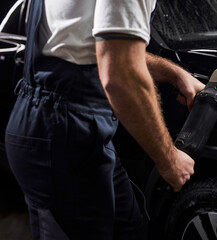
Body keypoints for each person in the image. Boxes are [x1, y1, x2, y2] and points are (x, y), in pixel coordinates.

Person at [5, 0, 204, 239]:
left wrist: (175, 73)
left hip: (73, 130)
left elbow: (97, 48)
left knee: (129, 230)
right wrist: (169, 160)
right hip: (63, 134)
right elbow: (121, 74)